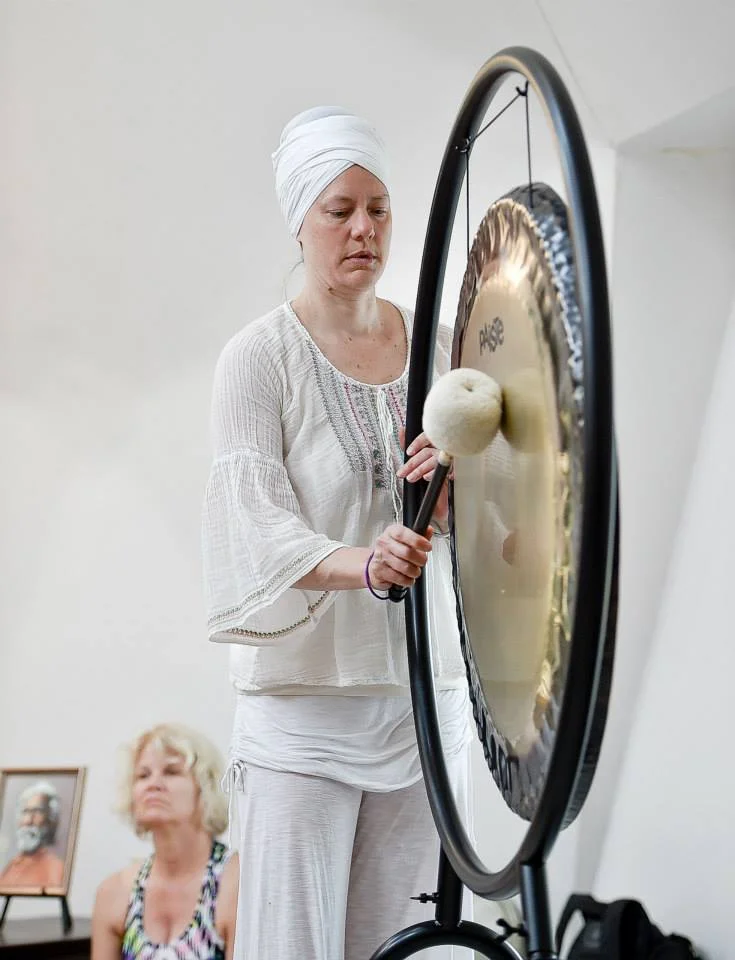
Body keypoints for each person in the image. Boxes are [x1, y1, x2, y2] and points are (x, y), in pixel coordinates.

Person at [202, 105, 473, 960]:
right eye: (339, 210)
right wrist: (366, 563)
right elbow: (253, 526)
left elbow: (492, 520)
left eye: (378, 209)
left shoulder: (438, 350)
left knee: (398, 948)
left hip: (417, 706)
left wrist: (458, 501)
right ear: (300, 220)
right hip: (303, 716)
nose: (363, 229)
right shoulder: (257, 358)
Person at [91, 723, 238, 960]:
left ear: (205, 787)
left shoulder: (238, 882)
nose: (153, 784)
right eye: (143, 775)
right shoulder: (114, 893)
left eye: (171, 771)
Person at [0, 780, 65, 889]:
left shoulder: (56, 870)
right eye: (25, 811)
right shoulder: (11, 867)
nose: (28, 821)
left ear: (50, 819)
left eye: (37, 812)